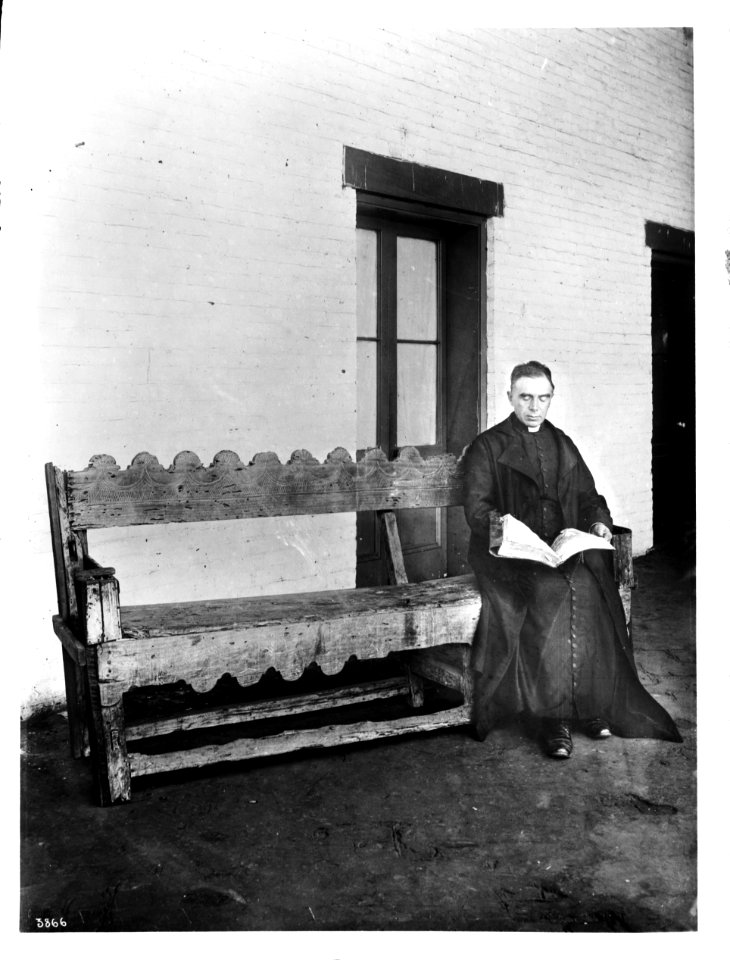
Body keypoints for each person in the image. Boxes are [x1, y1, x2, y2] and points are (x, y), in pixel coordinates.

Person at [462, 360, 681, 758]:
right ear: (509, 396)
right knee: (550, 595)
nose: (534, 407)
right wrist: (511, 535)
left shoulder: (562, 443)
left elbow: (588, 497)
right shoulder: (488, 446)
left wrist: (598, 524)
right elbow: (478, 511)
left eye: (542, 398)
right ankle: (553, 719)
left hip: (559, 551)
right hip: (510, 557)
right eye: (525, 397)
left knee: (590, 586)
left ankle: (587, 706)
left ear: (551, 399)